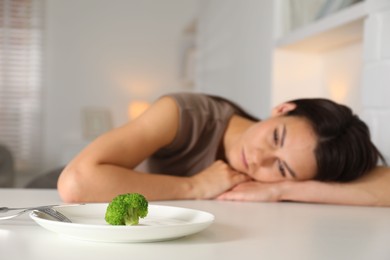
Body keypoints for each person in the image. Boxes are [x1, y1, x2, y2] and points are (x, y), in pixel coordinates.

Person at [57, 92, 390, 206]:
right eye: (276, 138)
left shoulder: (277, 181)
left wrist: (283, 189)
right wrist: (196, 186)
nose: (259, 159)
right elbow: (76, 183)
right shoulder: (183, 113)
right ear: (282, 109)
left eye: (282, 167)